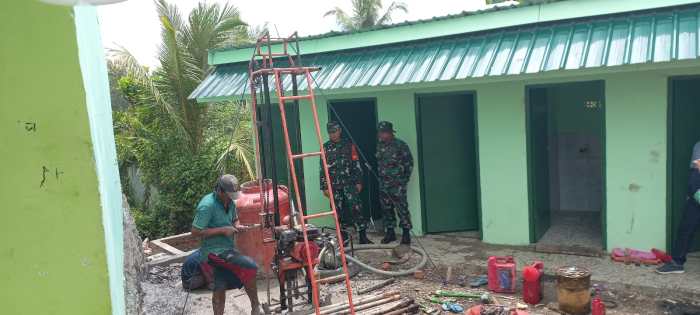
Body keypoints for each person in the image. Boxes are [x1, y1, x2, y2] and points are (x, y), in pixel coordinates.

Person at [191, 174, 261, 315]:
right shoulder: (207, 205)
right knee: (250, 266)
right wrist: (223, 230)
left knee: (220, 283)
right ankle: (256, 308)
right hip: (212, 252)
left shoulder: (230, 202)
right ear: (220, 191)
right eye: (229, 195)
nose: (231, 198)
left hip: (226, 248)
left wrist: (238, 226)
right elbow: (195, 231)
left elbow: (234, 219)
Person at [320, 121, 373, 244]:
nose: (333, 134)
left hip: (350, 184)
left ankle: (362, 236)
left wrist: (359, 182)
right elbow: (322, 168)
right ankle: (343, 237)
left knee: (357, 208)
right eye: (330, 132)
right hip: (334, 185)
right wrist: (324, 187)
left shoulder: (349, 145)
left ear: (339, 131)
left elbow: (356, 164)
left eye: (335, 131)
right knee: (338, 211)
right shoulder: (325, 148)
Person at [657, 141, 700, 274]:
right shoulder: (699, 146)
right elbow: (695, 175)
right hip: (697, 195)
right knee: (686, 229)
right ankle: (676, 263)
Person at [376, 121, 414, 245]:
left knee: (402, 209)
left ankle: (406, 234)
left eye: (383, 132)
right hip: (383, 184)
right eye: (380, 132)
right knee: (386, 209)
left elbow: (409, 163)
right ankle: (390, 233)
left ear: (390, 132)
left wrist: (403, 180)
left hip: (397, 185)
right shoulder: (380, 145)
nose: (381, 135)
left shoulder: (400, 145)